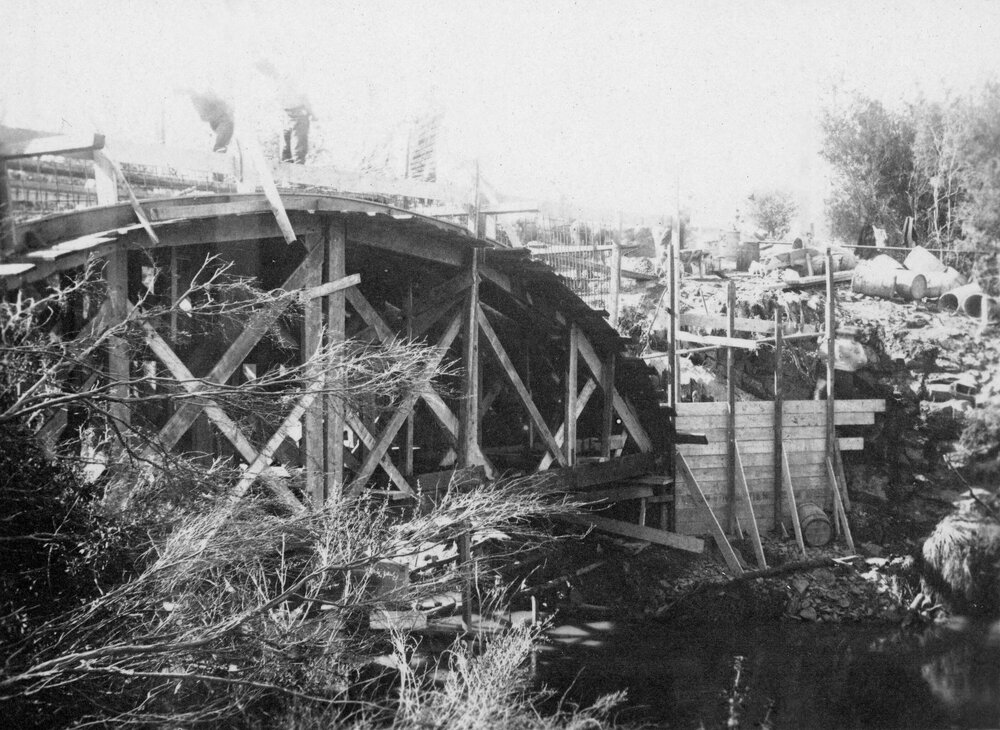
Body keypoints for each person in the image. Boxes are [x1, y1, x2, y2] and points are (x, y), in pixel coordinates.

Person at [255, 59, 313, 164]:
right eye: (262, 72)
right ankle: (288, 180)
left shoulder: (287, 77)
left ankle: (298, 180)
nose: (265, 74)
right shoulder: (270, 83)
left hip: (299, 115)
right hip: (286, 117)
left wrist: (312, 113)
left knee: (298, 153)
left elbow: (303, 96)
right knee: (285, 155)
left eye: (266, 70)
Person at [183, 89, 234, 153]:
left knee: (226, 126)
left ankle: (219, 147)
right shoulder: (206, 104)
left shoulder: (219, 109)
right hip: (219, 120)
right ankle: (219, 147)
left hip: (222, 120)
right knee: (226, 126)